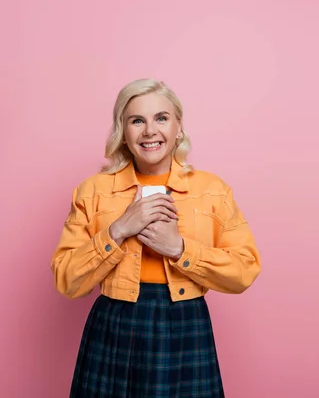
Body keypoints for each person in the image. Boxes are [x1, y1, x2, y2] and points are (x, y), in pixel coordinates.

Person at [50, 78, 261, 398]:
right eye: (137, 120)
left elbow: (244, 271)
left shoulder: (212, 190)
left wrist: (179, 249)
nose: (150, 130)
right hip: (115, 323)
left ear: (179, 128)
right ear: (123, 132)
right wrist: (118, 230)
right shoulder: (93, 190)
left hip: (185, 323)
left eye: (161, 118)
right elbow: (67, 280)